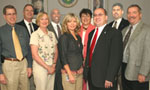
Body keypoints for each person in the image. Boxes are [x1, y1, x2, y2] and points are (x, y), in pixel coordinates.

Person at [84, 8, 123, 90]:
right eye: (95, 15)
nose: (97, 17)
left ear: (106, 17)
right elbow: (89, 54)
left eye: (100, 14)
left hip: (106, 80)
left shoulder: (114, 33)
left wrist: (110, 77)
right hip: (92, 78)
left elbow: (116, 58)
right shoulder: (91, 34)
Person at [0, 5, 32, 90]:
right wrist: (0, 73)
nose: (12, 16)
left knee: (26, 87)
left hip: (23, 63)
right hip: (9, 65)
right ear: (4, 16)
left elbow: (28, 49)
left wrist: (29, 66)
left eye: (14, 14)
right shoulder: (1, 31)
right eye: (9, 14)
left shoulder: (22, 29)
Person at [121, 4, 150, 90]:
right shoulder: (124, 30)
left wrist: (143, 73)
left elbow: (148, 54)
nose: (131, 15)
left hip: (138, 73)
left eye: (134, 12)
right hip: (124, 68)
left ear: (140, 15)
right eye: (129, 13)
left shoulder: (147, 30)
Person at [30, 12, 58, 90]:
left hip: (52, 68)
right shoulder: (35, 35)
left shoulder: (52, 34)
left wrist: (53, 65)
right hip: (40, 69)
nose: (44, 21)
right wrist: (47, 68)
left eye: (46, 19)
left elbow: (56, 51)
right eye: (42, 19)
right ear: (38, 21)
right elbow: (34, 55)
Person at [58, 13, 83, 90]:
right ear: (66, 24)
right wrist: (69, 74)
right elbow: (63, 57)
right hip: (69, 73)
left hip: (79, 72)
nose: (72, 24)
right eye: (69, 21)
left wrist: (81, 67)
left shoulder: (78, 36)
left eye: (74, 21)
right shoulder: (64, 37)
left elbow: (79, 54)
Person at [79, 8, 95, 90]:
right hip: (79, 61)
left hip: (91, 61)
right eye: (83, 16)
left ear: (91, 18)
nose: (85, 18)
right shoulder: (76, 29)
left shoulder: (96, 29)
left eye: (87, 16)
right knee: (81, 83)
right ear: (80, 18)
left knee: (92, 82)